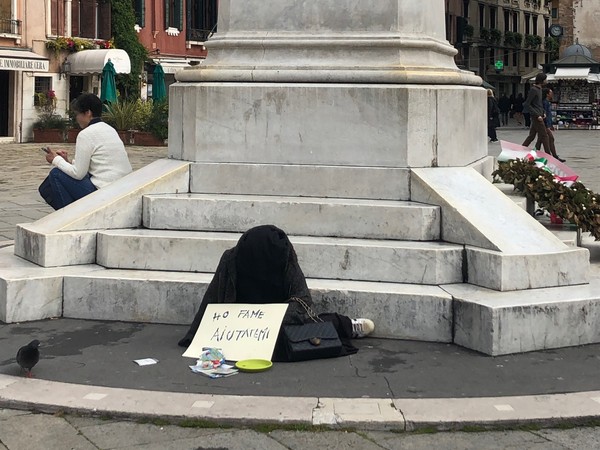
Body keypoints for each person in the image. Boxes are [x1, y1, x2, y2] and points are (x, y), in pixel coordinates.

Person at [177, 225, 375, 358]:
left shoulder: (284, 257)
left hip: (280, 320)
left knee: (314, 330)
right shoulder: (232, 258)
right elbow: (212, 297)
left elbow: (303, 301)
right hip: (239, 322)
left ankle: (349, 326)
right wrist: (200, 332)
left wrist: (270, 318)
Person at [38, 93, 132, 210]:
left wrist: (55, 160)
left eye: (78, 114)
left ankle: (69, 216)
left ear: (88, 113)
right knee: (49, 185)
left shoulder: (86, 134)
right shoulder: (110, 129)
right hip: (121, 189)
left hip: (103, 193)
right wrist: (66, 161)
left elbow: (78, 174)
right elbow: (89, 167)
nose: (76, 118)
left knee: (55, 174)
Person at [522, 73, 550, 153]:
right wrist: (537, 115)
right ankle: (549, 154)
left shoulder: (540, 89)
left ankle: (523, 149)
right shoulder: (533, 90)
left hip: (540, 114)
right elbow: (527, 104)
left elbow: (539, 103)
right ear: (542, 80)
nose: (546, 80)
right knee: (544, 136)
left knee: (532, 136)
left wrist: (543, 112)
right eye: (545, 79)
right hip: (537, 116)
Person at [535, 88, 565, 162]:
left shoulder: (547, 102)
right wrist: (546, 124)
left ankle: (536, 154)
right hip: (543, 124)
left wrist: (550, 124)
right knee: (550, 138)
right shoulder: (544, 102)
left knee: (540, 140)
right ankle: (552, 156)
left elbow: (548, 115)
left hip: (545, 124)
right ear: (547, 94)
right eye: (551, 93)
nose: (552, 94)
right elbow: (544, 114)